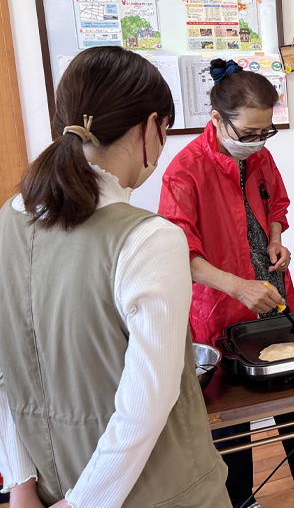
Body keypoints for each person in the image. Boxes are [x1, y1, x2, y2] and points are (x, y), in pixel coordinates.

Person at [0, 46, 228, 507]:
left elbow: (9, 370)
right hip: (160, 492)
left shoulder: (9, 218)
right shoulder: (149, 239)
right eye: (164, 130)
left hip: (48, 486)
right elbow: (146, 404)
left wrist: (22, 485)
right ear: (150, 128)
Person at [158, 59, 294, 508]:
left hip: (268, 288)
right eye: (249, 133)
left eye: (265, 133)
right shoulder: (184, 171)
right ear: (216, 119)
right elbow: (181, 252)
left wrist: (276, 242)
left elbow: (278, 203)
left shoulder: (259, 155)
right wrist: (238, 287)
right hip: (221, 303)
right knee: (232, 408)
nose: (258, 143)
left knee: (284, 378)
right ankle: (237, 497)